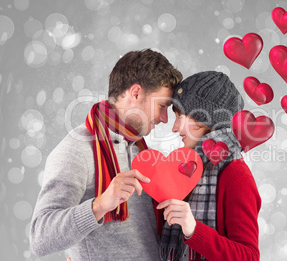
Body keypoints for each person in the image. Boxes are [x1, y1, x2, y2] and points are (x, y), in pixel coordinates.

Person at [29, 49, 182, 260]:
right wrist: (100, 205)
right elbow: (40, 237)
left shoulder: (141, 149)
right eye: (162, 106)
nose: (165, 118)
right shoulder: (77, 149)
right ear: (136, 93)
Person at [156, 71, 261, 261]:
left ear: (204, 117)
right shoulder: (187, 167)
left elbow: (249, 256)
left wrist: (194, 229)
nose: (174, 127)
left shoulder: (236, 174)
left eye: (181, 116)